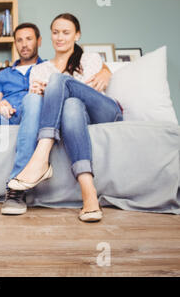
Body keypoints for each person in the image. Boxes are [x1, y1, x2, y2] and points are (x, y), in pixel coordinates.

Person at [0, 22, 112, 215]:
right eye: (19, 40)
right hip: (6, 116)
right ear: (15, 44)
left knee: (32, 99)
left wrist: (106, 71)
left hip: (33, 113)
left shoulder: (49, 67)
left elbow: (88, 67)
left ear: (39, 41)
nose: (24, 44)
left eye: (29, 39)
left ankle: (17, 188)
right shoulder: (4, 74)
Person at [8, 13, 123, 222]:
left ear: (77, 35)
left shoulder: (90, 59)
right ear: (50, 36)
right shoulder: (39, 70)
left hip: (104, 111)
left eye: (66, 32)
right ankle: (89, 196)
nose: (60, 37)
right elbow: (40, 109)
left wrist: (56, 86)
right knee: (71, 106)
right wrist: (38, 94)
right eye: (55, 32)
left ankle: (41, 157)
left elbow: (88, 92)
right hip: (75, 116)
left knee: (59, 81)